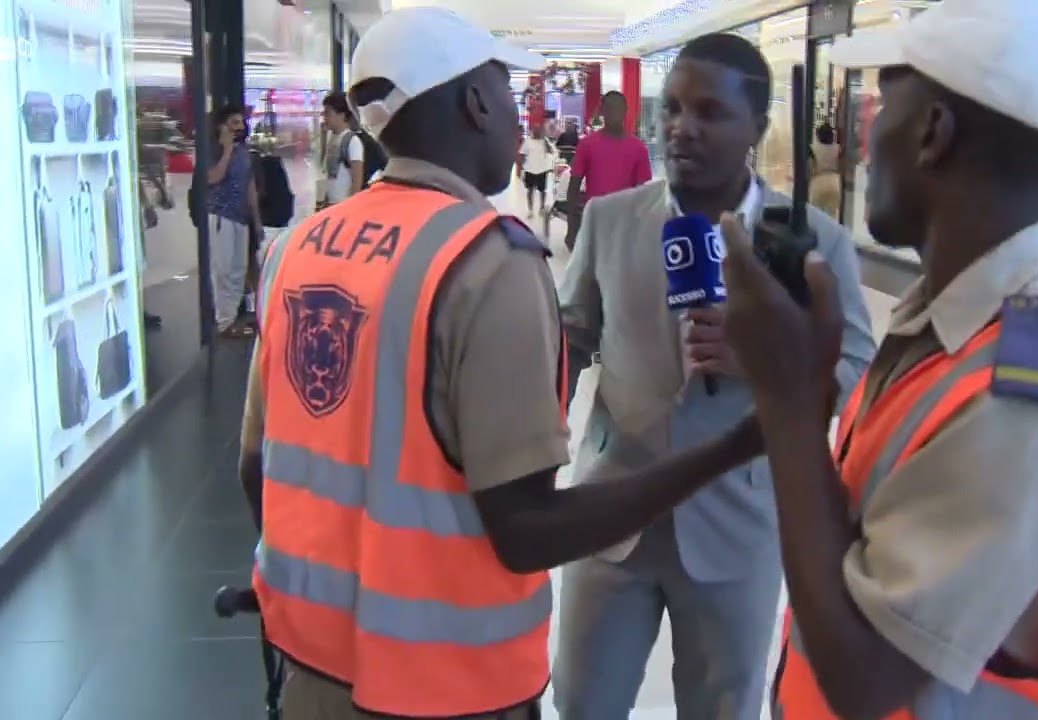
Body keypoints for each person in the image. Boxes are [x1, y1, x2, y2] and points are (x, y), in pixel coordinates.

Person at [238, 8, 767, 719]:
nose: (518, 122)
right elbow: (526, 530)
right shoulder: (484, 261)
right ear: (475, 102)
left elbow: (256, 467)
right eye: (505, 95)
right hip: (445, 681)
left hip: (310, 662)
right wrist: (728, 450)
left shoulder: (296, 249)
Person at [723, 1, 1038, 718]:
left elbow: (865, 679)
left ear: (932, 133)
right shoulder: (951, 328)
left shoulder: (1026, 397)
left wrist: (789, 402)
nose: (865, 141)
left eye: (883, 108)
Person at [553, 32, 875, 720]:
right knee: (583, 703)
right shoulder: (611, 221)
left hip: (738, 525)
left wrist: (768, 368)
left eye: (708, 112)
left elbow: (858, 369)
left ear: (756, 128)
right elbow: (572, 336)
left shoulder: (814, 241)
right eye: (671, 108)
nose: (680, 128)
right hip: (614, 517)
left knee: (721, 709)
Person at [564, 92, 651, 249]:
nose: (614, 114)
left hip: (626, 226)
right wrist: (572, 227)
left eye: (618, 109)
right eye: (609, 109)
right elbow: (574, 186)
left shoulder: (639, 149)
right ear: (602, 111)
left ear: (625, 111)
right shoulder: (587, 145)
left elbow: (643, 194)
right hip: (595, 222)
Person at [207, 103, 262, 338]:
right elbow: (213, 177)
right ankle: (223, 321)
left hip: (241, 217)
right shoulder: (213, 151)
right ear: (223, 126)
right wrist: (226, 149)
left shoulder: (244, 152)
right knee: (224, 269)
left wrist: (256, 219)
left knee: (239, 268)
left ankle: (231, 318)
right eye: (234, 123)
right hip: (222, 215)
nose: (240, 127)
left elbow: (250, 186)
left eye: (241, 122)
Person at [321, 91, 367, 203]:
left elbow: (357, 179)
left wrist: (350, 207)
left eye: (328, 113)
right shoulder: (332, 137)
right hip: (331, 204)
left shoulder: (352, 141)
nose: (324, 117)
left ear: (342, 115)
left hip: (343, 204)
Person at [518, 123, 557, 219]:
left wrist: (545, 141)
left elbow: (551, 151)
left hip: (542, 169)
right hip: (530, 169)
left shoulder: (544, 141)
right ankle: (530, 210)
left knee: (542, 190)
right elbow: (522, 154)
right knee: (530, 190)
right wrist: (521, 168)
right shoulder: (527, 141)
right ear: (532, 131)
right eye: (535, 130)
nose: (537, 132)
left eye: (538, 130)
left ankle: (542, 207)